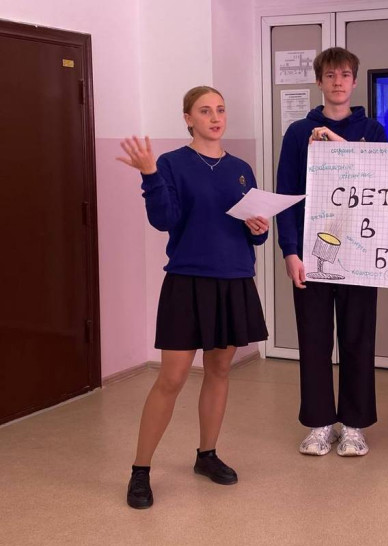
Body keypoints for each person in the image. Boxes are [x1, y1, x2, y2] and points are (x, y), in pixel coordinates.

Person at [116, 86, 269, 509]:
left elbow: (254, 233)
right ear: (188, 118)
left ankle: (207, 455)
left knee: (219, 371)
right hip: (187, 280)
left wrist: (258, 229)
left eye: (220, 109)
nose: (215, 117)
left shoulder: (241, 169)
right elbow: (164, 219)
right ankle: (140, 470)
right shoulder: (170, 163)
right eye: (205, 111)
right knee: (172, 378)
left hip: (234, 278)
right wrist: (150, 175)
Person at [275, 47, 387, 457]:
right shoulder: (297, 132)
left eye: (344, 75)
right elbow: (286, 194)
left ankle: (354, 425)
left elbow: (384, 184)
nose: (337, 82)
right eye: (330, 75)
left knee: (358, 338)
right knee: (314, 339)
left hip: (360, 253)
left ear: (354, 81)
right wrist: (290, 251)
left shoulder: (372, 130)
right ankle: (320, 422)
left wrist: (338, 146)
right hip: (311, 251)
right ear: (319, 81)